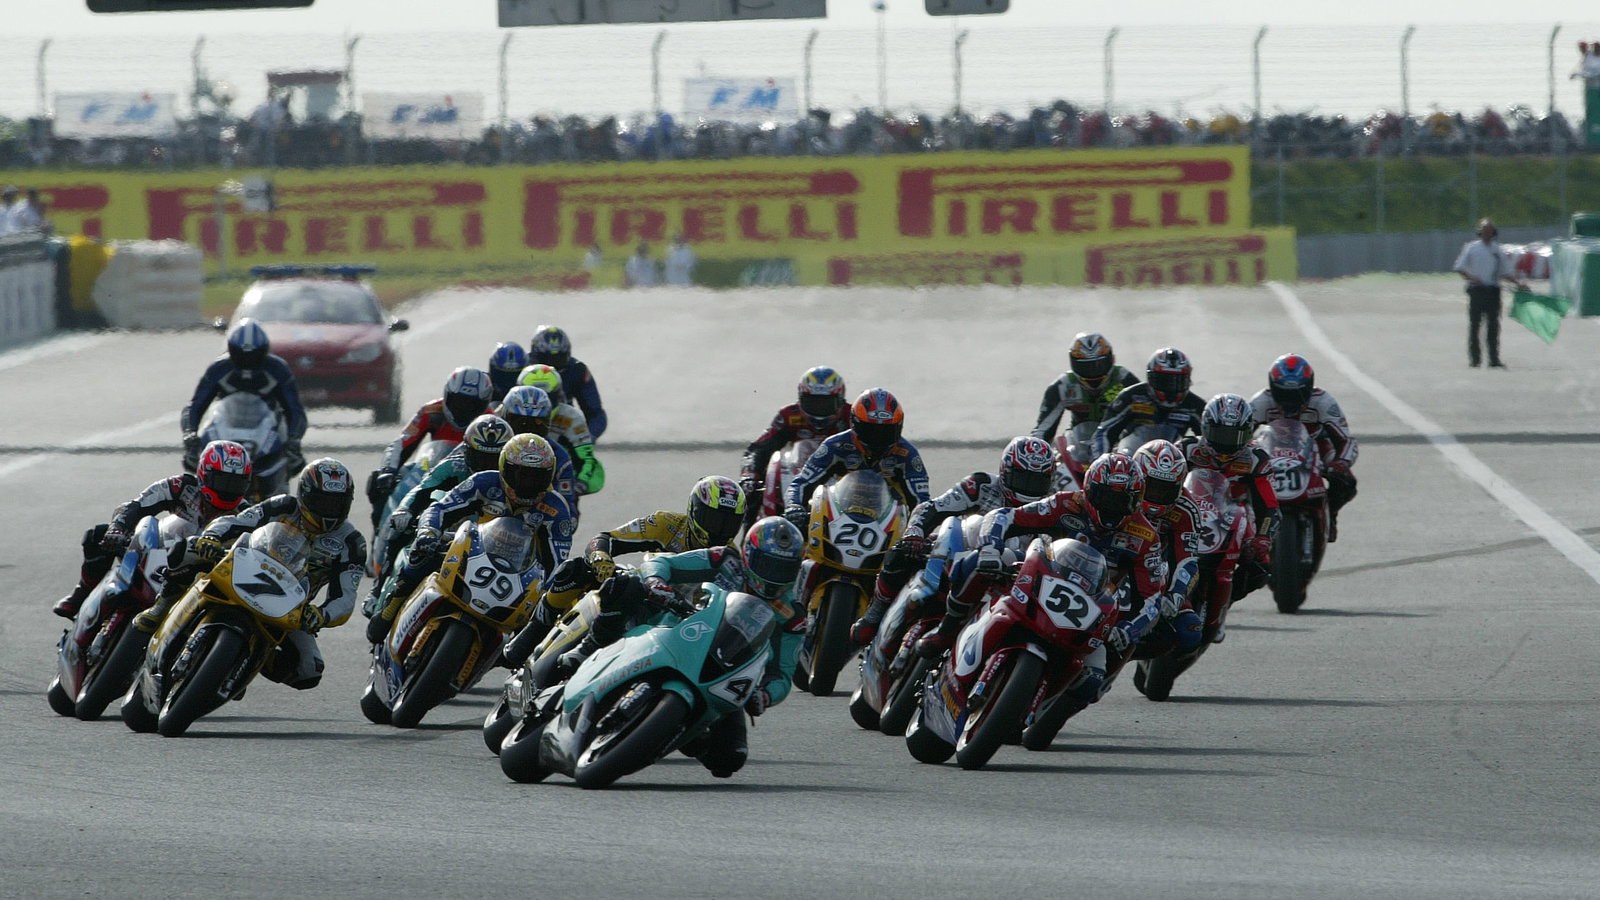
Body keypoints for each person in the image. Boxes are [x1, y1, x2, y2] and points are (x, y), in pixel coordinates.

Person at [917, 453, 1176, 717]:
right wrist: (991, 547)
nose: (1113, 507)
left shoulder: (1146, 536)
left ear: (1137, 500)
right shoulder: (1067, 503)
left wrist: (1130, 629)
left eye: (1123, 501)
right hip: (1040, 574)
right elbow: (1004, 517)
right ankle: (946, 631)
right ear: (1089, 490)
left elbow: (1152, 598)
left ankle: (1043, 716)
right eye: (1106, 497)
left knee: (1092, 682)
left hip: (1093, 604)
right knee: (973, 563)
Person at [558, 516, 806, 778]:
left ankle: (683, 734)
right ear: (748, 556)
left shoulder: (791, 616)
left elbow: (781, 674)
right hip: (672, 631)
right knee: (627, 584)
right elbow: (663, 563)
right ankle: (588, 647)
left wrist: (765, 695)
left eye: (783, 569)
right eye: (767, 565)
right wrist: (656, 580)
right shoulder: (723, 560)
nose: (773, 576)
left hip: (721, 674)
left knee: (729, 758)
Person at [136, 458, 365, 692]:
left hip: (289, 606)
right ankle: (163, 606)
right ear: (304, 495)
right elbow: (237, 521)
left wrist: (321, 614)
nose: (329, 510)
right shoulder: (283, 505)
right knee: (188, 550)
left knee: (309, 670)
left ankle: (246, 662)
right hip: (245, 570)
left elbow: (345, 597)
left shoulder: (351, 542)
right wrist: (212, 537)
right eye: (322, 502)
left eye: (337, 504)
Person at [502, 475, 746, 665]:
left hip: (682, 624)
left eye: (728, 523)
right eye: (714, 519)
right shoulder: (668, 524)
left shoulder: (732, 561)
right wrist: (600, 557)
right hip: (640, 597)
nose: (719, 530)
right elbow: (606, 539)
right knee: (575, 570)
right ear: (694, 511)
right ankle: (532, 634)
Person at [367, 434, 576, 643]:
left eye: (537, 478)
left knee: (543, 618)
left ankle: (516, 656)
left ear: (549, 477)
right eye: (522, 475)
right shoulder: (484, 482)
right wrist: (428, 531)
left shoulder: (556, 510)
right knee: (421, 553)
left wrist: (546, 593)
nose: (528, 484)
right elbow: (440, 509)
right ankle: (391, 608)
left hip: (519, 572)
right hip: (469, 549)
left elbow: (557, 563)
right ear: (505, 468)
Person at [850, 435, 1058, 644]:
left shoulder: (1050, 509)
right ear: (1005, 471)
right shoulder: (981, 484)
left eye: (1037, 481)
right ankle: (874, 614)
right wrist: (915, 533)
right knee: (901, 554)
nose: (1028, 488)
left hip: (1009, 578)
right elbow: (934, 507)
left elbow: (1058, 553)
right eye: (1022, 478)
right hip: (958, 550)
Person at [52, 440, 253, 620]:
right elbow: (137, 505)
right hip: (162, 550)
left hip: (198, 573)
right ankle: (81, 593)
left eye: (236, 484)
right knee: (98, 535)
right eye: (222, 481)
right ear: (204, 474)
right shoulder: (181, 487)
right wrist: (118, 528)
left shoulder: (246, 513)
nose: (227, 490)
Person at [368, 413, 516, 590]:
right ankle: (380, 589)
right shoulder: (452, 466)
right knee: (405, 538)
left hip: (498, 543)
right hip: (449, 535)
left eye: (493, 460)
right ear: (467, 452)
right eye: (480, 458)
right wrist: (406, 510)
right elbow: (422, 490)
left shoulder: (516, 480)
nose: (485, 467)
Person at [1180, 393, 1280, 605]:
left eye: (1235, 436)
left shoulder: (1256, 458)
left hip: (1236, 514)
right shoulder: (1186, 448)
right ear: (1205, 427)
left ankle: (1224, 601)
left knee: (1261, 566)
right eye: (1220, 434)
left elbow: (1269, 506)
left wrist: (1263, 537)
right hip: (1188, 510)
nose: (1226, 443)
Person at [1247, 353, 1359, 541]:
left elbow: (1346, 440)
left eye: (1296, 394)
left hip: (1316, 446)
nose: (1290, 401)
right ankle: (1247, 521)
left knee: (1346, 481)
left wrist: (1341, 463)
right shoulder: (1260, 402)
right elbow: (1241, 433)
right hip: (1271, 447)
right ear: (1273, 388)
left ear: (1309, 387)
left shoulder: (1324, 402)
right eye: (1283, 394)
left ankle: (1330, 513)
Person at [783, 388, 931, 529]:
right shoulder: (835, 445)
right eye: (870, 431)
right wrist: (794, 506)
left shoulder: (907, 454)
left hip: (889, 523)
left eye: (886, 432)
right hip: (837, 516)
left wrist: (916, 530)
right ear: (854, 424)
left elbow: (921, 501)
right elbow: (801, 483)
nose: (878, 439)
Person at [365, 365, 494, 524]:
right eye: (459, 402)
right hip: (429, 468)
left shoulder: (492, 421)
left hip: (469, 475)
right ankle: (381, 534)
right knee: (379, 483)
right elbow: (401, 442)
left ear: (484, 404)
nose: (464, 410)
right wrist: (388, 471)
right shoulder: (430, 411)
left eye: (472, 405)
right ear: (447, 395)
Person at [181, 318, 307, 473]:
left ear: (264, 351)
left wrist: (294, 438)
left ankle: (279, 478)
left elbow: (294, 408)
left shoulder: (278, 368)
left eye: (254, 356)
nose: (248, 362)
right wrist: (190, 433)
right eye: (242, 356)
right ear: (232, 350)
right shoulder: (219, 368)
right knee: (194, 458)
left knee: (293, 460)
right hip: (227, 422)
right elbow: (196, 405)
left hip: (268, 425)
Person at [739, 366, 851, 521]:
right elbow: (761, 448)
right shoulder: (789, 415)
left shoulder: (851, 416)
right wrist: (749, 476)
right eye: (812, 403)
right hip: (796, 472)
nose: (819, 410)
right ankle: (752, 532)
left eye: (826, 404)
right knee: (751, 492)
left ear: (840, 400)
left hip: (843, 478)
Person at [1128, 440, 1205, 657]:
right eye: (1152, 486)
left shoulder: (1187, 509)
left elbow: (1188, 560)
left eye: (1166, 489)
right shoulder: (1122, 493)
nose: (1158, 494)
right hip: (1114, 567)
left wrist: (1176, 595)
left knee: (1189, 632)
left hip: (1156, 575)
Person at [1092, 347, 1205, 455]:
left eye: (1178, 381)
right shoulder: (1132, 396)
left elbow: (1209, 441)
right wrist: (1101, 459)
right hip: (1132, 459)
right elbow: (1104, 431)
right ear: (1151, 378)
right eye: (1164, 381)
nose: (1171, 389)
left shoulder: (1195, 405)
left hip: (1173, 462)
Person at [1031, 332, 1140, 442]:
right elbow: (1043, 428)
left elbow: (1143, 419)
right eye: (1085, 366)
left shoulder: (1124, 379)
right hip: (1078, 445)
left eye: (1099, 365)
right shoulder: (1063, 386)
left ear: (1111, 359)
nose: (1093, 372)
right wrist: (1036, 447)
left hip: (1117, 443)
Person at [516, 363, 604, 497]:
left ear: (558, 395)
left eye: (548, 398)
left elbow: (586, 457)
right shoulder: (507, 413)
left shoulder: (571, 417)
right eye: (533, 401)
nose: (541, 405)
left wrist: (581, 482)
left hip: (559, 482)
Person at [1452, 218, 1525, 369]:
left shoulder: (1497, 250)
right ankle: (1475, 359)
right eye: (1484, 230)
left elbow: (1506, 272)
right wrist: (1472, 278)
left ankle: (1493, 359)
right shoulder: (1471, 248)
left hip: (1493, 291)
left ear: (1494, 233)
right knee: (1475, 326)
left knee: (1493, 326)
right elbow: (1459, 267)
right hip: (1477, 291)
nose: (1487, 233)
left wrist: (1519, 284)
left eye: (1490, 230)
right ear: (1480, 232)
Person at [528, 325, 608, 439]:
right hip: (526, 426)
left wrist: (587, 438)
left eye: (558, 359)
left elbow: (596, 413)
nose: (552, 368)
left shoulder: (578, 370)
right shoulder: (522, 368)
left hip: (562, 428)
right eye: (547, 360)